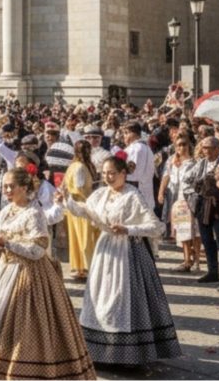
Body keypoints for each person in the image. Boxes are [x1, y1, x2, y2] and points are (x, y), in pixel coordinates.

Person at [0, 166, 94, 379]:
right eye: (4, 186)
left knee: (27, 329)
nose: (7, 190)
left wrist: (5, 242)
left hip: (30, 275)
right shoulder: (6, 210)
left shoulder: (34, 212)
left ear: (25, 187)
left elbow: (37, 250)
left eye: (11, 186)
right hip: (5, 272)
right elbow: (4, 239)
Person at [56, 153, 182, 366]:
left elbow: (156, 227)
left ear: (124, 173)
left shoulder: (133, 196)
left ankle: (128, 354)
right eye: (104, 173)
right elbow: (86, 212)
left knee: (122, 299)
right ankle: (100, 352)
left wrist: (128, 229)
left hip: (129, 253)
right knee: (101, 299)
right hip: (105, 251)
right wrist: (66, 201)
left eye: (112, 173)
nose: (108, 177)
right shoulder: (101, 194)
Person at [158, 135, 200, 271]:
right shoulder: (172, 161)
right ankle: (187, 260)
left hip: (190, 199)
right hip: (176, 199)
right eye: (178, 145)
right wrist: (161, 192)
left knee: (194, 230)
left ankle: (197, 260)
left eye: (184, 144)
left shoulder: (194, 162)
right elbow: (166, 176)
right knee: (182, 230)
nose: (181, 147)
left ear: (189, 146)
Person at [193, 135, 219, 286]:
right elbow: (190, 179)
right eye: (203, 147)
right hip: (203, 204)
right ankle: (212, 271)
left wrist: (216, 182)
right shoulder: (201, 163)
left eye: (208, 147)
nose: (204, 150)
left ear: (216, 149)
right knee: (207, 239)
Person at [63, 140, 99, 282]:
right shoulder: (80, 168)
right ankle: (85, 266)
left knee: (76, 237)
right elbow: (80, 187)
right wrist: (91, 200)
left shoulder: (72, 166)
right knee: (85, 237)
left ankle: (79, 266)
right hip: (82, 205)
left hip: (73, 206)